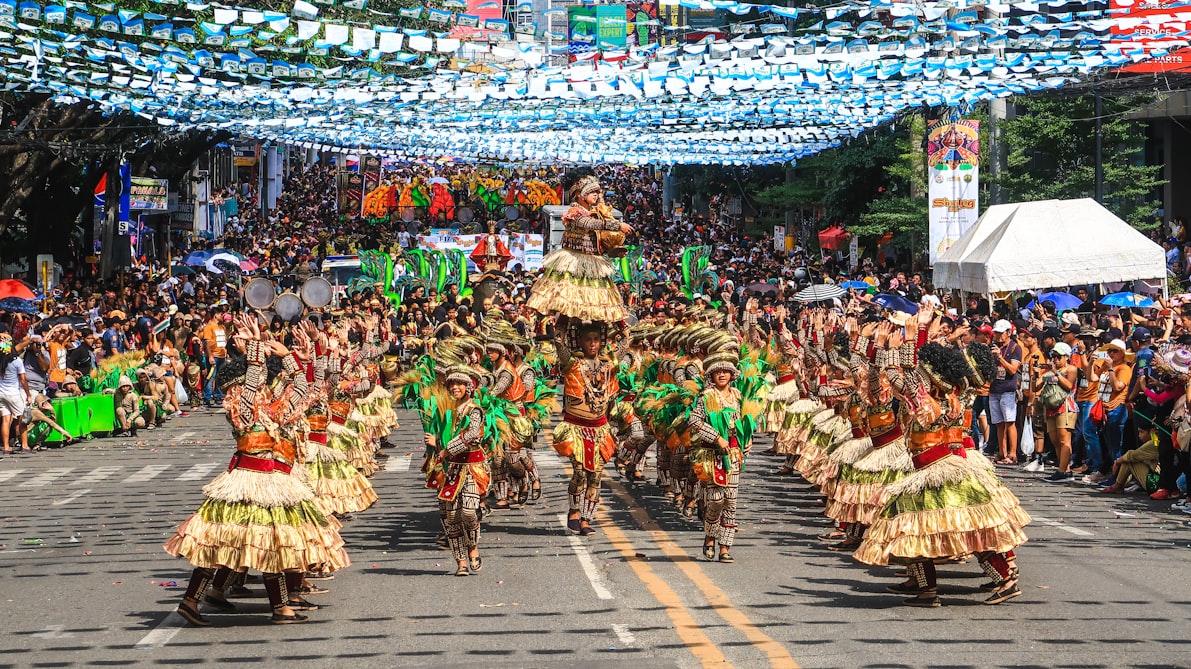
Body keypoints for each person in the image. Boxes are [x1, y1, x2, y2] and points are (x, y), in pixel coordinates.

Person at [553, 323, 619, 536]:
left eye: (596, 339)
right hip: (576, 428)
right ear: (580, 341)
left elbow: (625, 344)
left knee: (596, 477)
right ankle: (573, 511)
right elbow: (559, 344)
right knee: (580, 473)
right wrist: (562, 320)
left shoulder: (608, 365)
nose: (592, 344)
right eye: (588, 339)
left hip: (599, 429)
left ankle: (586, 520)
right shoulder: (573, 363)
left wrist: (620, 325)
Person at [689, 347, 751, 563]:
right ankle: (709, 537)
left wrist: (747, 438)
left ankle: (725, 548)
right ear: (711, 376)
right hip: (712, 455)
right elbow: (695, 422)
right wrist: (717, 437)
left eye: (726, 371)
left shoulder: (738, 396)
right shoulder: (706, 396)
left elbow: (745, 421)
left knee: (731, 503)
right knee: (716, 501)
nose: (722, 375)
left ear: (732, 374)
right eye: (718, 372)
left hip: (733, 455)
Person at [431, 365, 487, 576]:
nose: (455, 387)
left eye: (459, 384)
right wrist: (435, 445)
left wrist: (447, 449)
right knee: (452, 517)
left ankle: (472, 547)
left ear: (468, 387)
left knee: (469, 512)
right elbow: (441, 437)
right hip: (452, 470)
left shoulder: (474, 410)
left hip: (472, 467)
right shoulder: (448, 411)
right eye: (452, 384)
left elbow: (472, 434)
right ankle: (460, 562)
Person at [1039, 342, 1079, 482]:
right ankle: (1065, 469)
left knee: (1064, 439)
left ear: (1066, 357)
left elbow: (1069, 385)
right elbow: (1035, 387)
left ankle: (1061, 471)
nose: (1055, 359)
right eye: (1053, 356)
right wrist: (1035, 373)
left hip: (1065, 406)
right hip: (1050, 407)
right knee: (1055, 440)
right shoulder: (1049, 370)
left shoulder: (1071, 369)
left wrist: (1055, 372)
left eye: (1058, 356)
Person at [1096, 339, 1134, 485]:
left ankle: (1118, 478)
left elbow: (1118, 386)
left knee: (1116, 446)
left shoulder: (1124, 368)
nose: (1111, 353)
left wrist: (1111, 369)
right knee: (1110, 446)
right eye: (1109, 350)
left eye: (1114, 351)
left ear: (1122, 354)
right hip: (1104, 409)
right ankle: (1114, 476)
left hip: (1116, 409)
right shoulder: (1106, 366)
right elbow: (1092, 378)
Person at [989, 320, 1023, 465]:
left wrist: (1000, 357)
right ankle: (1002, 452)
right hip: (994, 388)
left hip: (1008, 389)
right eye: (996, 333)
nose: (997, 336)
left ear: (1009, 332)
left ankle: (1013, 453)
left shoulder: (1015, 348)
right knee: (999, 423)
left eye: (1000, 333)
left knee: (1010, 422)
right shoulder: (993, 346)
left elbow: (1013, 370)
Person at [0, 333, 31, 455]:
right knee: (22, 419)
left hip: (1, 393)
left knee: (5, 420)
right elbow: (23, 379)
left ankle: (6, 447)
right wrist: (28, 394)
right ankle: (25, 445)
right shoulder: (17, 361)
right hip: (13, 393)